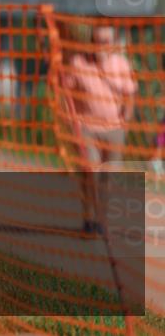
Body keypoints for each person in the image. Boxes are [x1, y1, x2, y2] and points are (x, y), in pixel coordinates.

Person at [60, 24, 137, 233]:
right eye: (98, 41)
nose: (102, 45)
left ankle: (102, 219)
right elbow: (66, 92)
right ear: (92, 42)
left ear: (112, 43)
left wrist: (125, 121)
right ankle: (89, 218)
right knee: (90, 170)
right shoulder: (78, 62)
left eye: (106, 41)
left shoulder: (121, 64)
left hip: (114, 129)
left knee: (109, 176)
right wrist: (71, 118)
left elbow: (130, 95)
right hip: (86, 128)